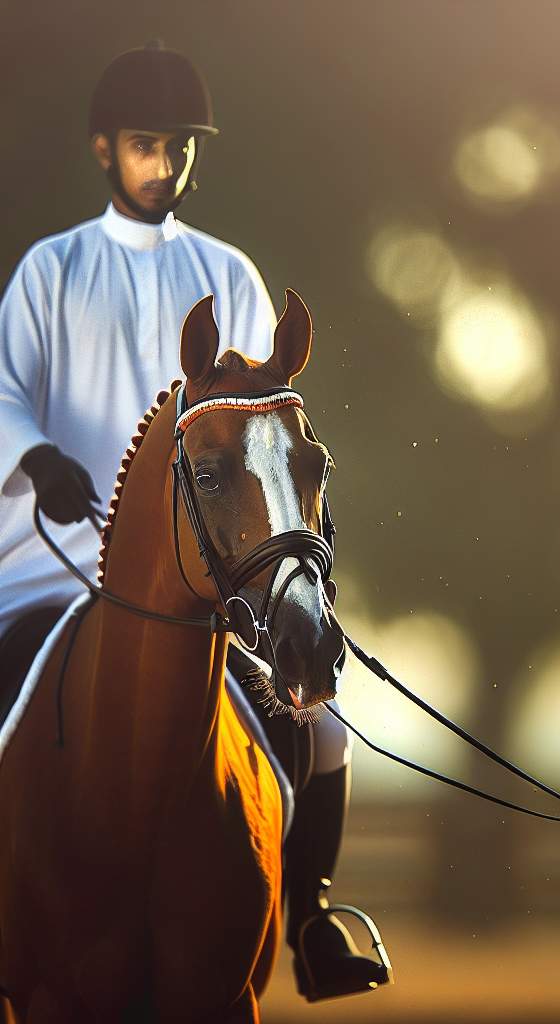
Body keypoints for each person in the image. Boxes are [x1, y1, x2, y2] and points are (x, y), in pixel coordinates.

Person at [0, 41, 384, 1001]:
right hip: (53, 560)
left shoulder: (231, 274)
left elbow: (256, 422)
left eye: (178, 149)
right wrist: (33, 455)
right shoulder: (51, 272)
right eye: (145, 146)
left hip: (207, 573)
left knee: (322, 722)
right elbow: (3, 389)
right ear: (103, 150)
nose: (163, 165)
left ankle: (311, 917)